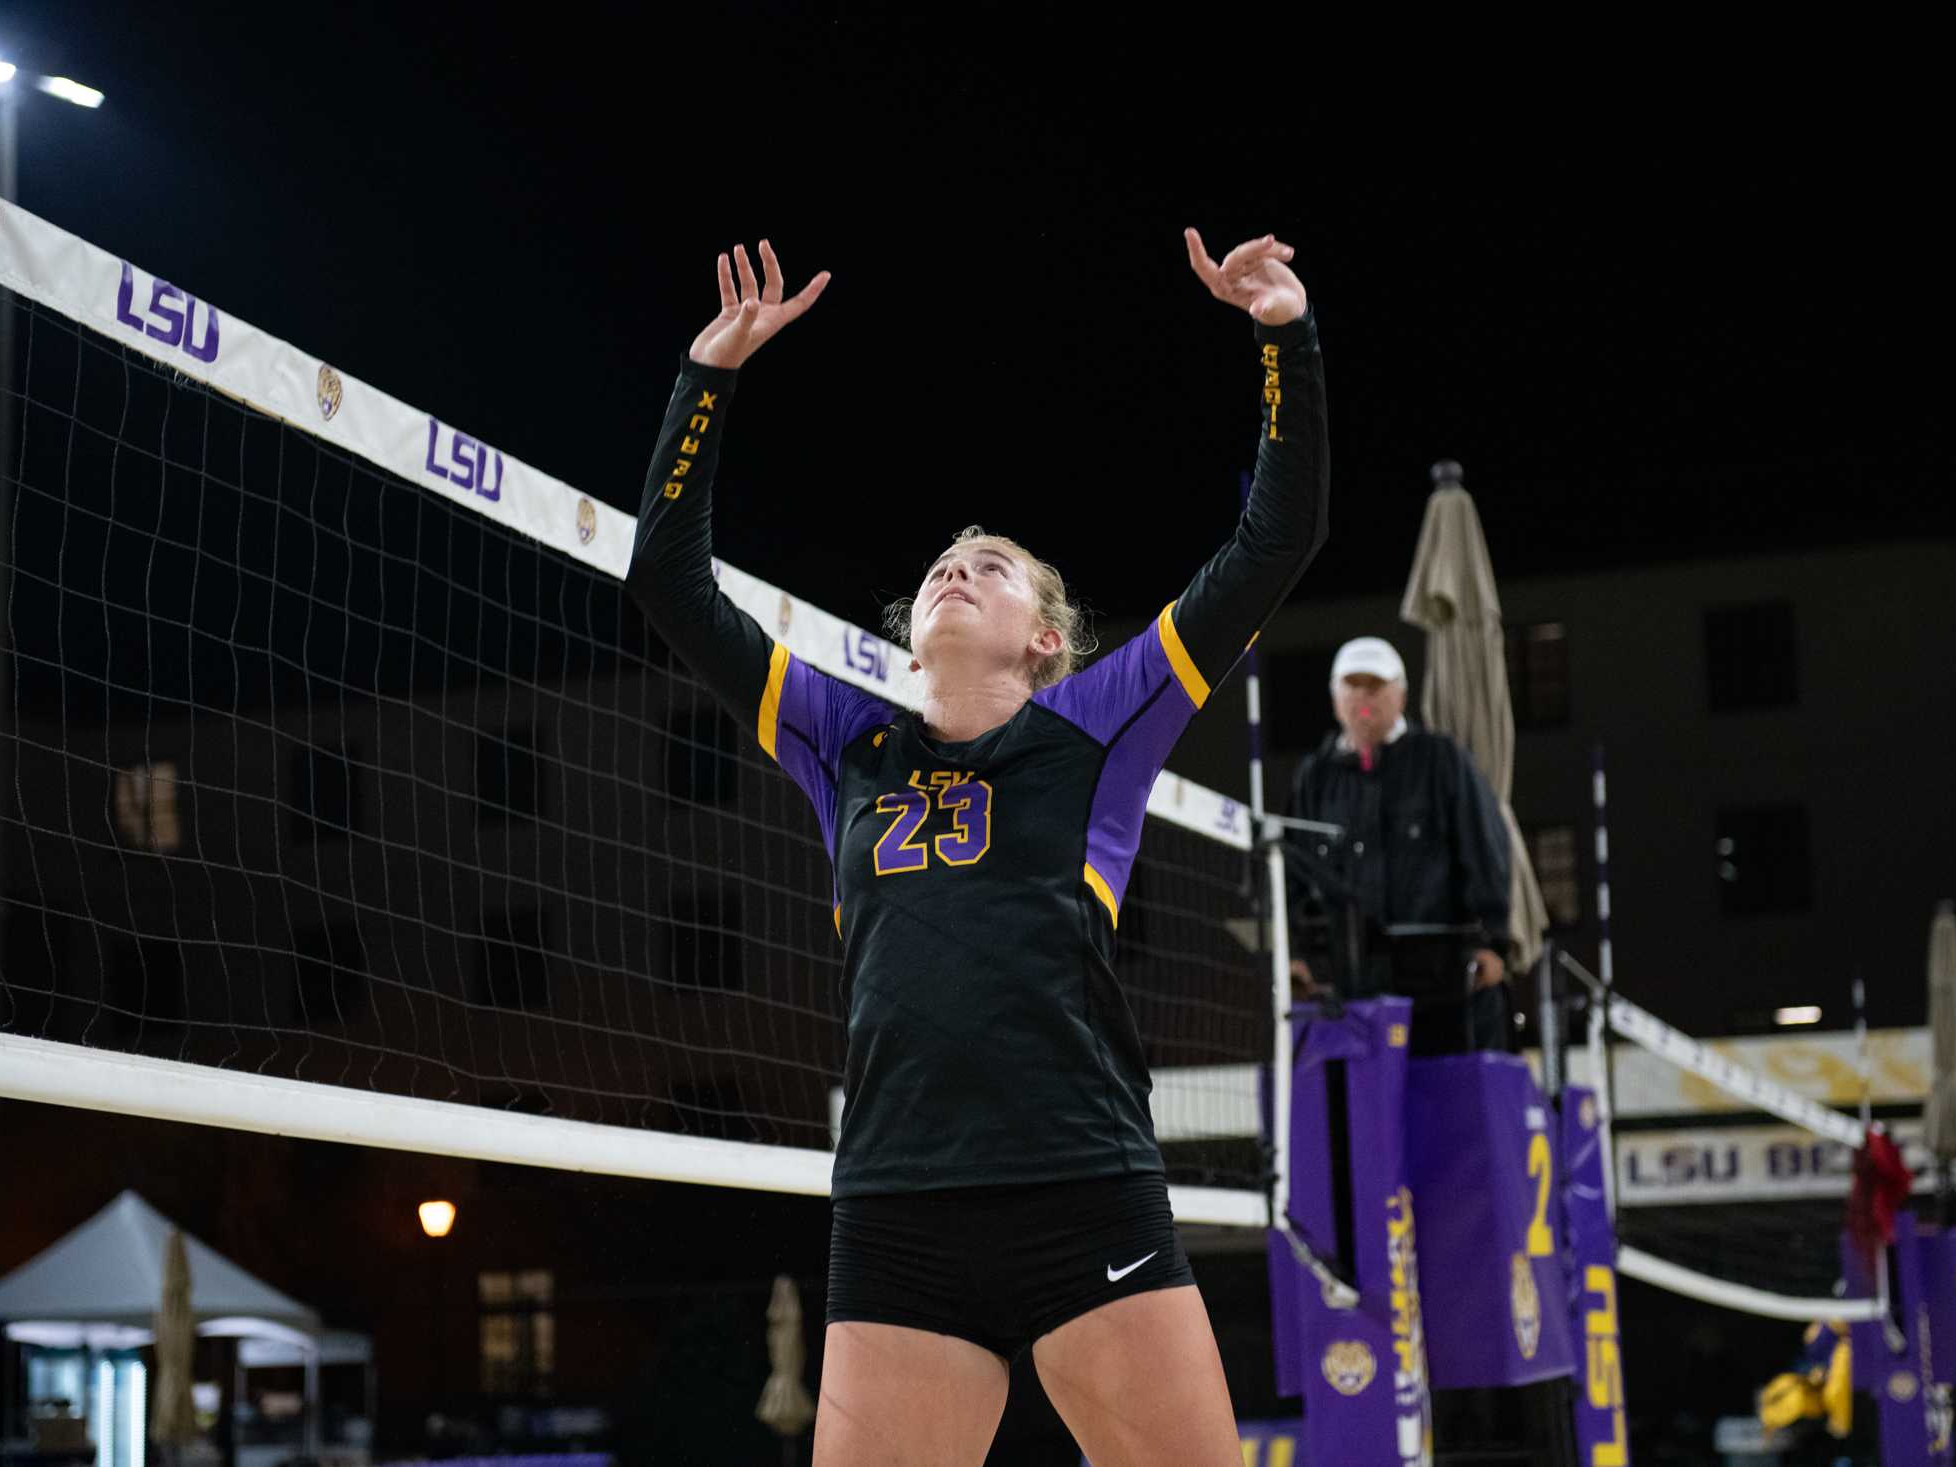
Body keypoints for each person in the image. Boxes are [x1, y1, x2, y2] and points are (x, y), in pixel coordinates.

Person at [626, 230, 1325, 1467]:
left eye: (990, 569)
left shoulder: (1096, 725)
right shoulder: (842, 738)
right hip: (897, 1204)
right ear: (909, 638)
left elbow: (1274, 542)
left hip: (1079, 1183)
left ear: (1045, 641)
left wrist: (1284, 338)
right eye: (945, 566)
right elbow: (670, 583)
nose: (956, 569)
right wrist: (708, 374)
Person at [1288, 635, 1514, 1054]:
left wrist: (1493, 941)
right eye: (1351, 685)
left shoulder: (1442, 759)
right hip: (1347, 986)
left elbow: (1486, 850)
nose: (1362, 697)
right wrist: (1293, 952)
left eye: (1374, 685)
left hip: (1441, 985)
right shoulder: (1315, 777)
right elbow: (1293, 873)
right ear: (1335, 696)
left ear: (1401, 693)